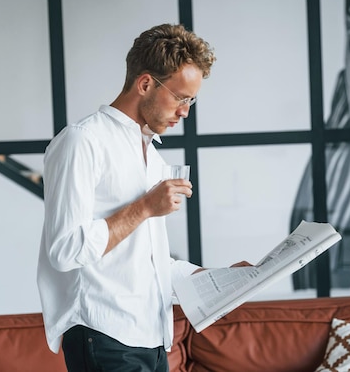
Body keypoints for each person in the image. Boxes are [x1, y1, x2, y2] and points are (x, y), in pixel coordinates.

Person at [37, 23, 236, 372]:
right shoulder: (82, 142)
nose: (185, 111)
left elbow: (149, 262)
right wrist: (145, 207)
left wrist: (220, 279)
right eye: (180, 97)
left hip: (152, 338)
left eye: (191, 100)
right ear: (145, 83)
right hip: (104, 335)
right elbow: (65, 249)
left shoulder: (152, 157)